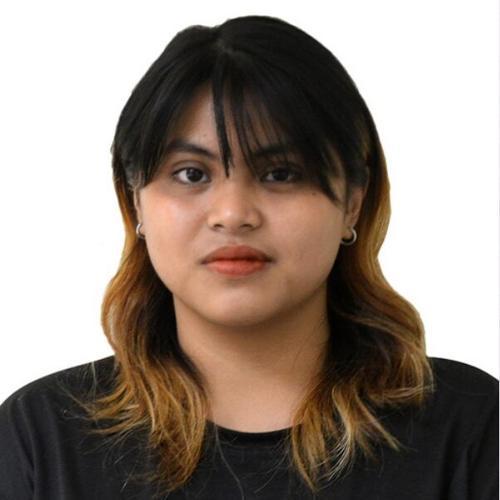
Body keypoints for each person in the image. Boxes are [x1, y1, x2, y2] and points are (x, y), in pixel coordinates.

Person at [0, 15, 497, 500]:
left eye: (280, 173)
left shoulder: (473, 430)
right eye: (191, 174)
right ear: (135, 203)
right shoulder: (40, 440)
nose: (233, 214)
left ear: (353, 201)